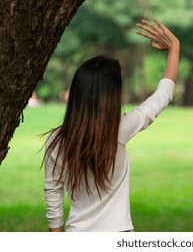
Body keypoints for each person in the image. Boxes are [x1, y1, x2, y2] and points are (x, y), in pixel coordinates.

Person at [43, 18, 180, 232]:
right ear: (112, 96)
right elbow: (162, 96)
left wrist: (56, 234)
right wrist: (174, 48)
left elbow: (53, 190)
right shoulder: (119, 130)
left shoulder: (57, 140)